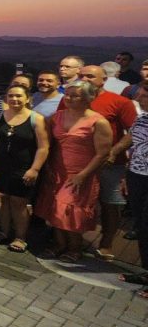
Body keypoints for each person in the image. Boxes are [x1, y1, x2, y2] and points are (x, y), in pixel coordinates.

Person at [34, 81, 111, 262]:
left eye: (74, 95)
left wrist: (83, 175)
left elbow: (103, 154)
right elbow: (48, 145)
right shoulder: (57, 117)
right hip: (56, 170)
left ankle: (75, 248)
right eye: (67, 94)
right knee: (54, 209)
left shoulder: (99, 122)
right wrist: (46, 167)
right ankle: (59, 244)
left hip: (81, 173)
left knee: (71, 211)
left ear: (88, 98)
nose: (68, 99)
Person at [72, 65, 138, 260]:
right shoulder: (70, 99)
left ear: (103, 80)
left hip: (109, 163)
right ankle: (74, 241)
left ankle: (106, 243)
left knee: (110, 202)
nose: (85, 79)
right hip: (77, 162)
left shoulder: (119, 102)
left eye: (90, 76)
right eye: (81, 75)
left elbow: (135, 130)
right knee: (75, 202)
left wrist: (113, 151)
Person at [0, 85, 50, 253]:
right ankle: (4, 231)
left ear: (27, 99)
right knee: (2, 200)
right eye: (11, 96)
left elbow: (43, 147)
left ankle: (20, 237)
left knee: (20, 203)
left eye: (19, 96)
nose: (14, 99)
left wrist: (35, 169)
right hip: (1, 166)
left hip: (23, 168)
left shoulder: (36, 119)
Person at [120, 112, 148, 295]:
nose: (139, 96)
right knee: (141, 226)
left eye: (145, 93)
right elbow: (133, 144)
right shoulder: (143, 118)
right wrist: (125, 174)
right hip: (137, 175)